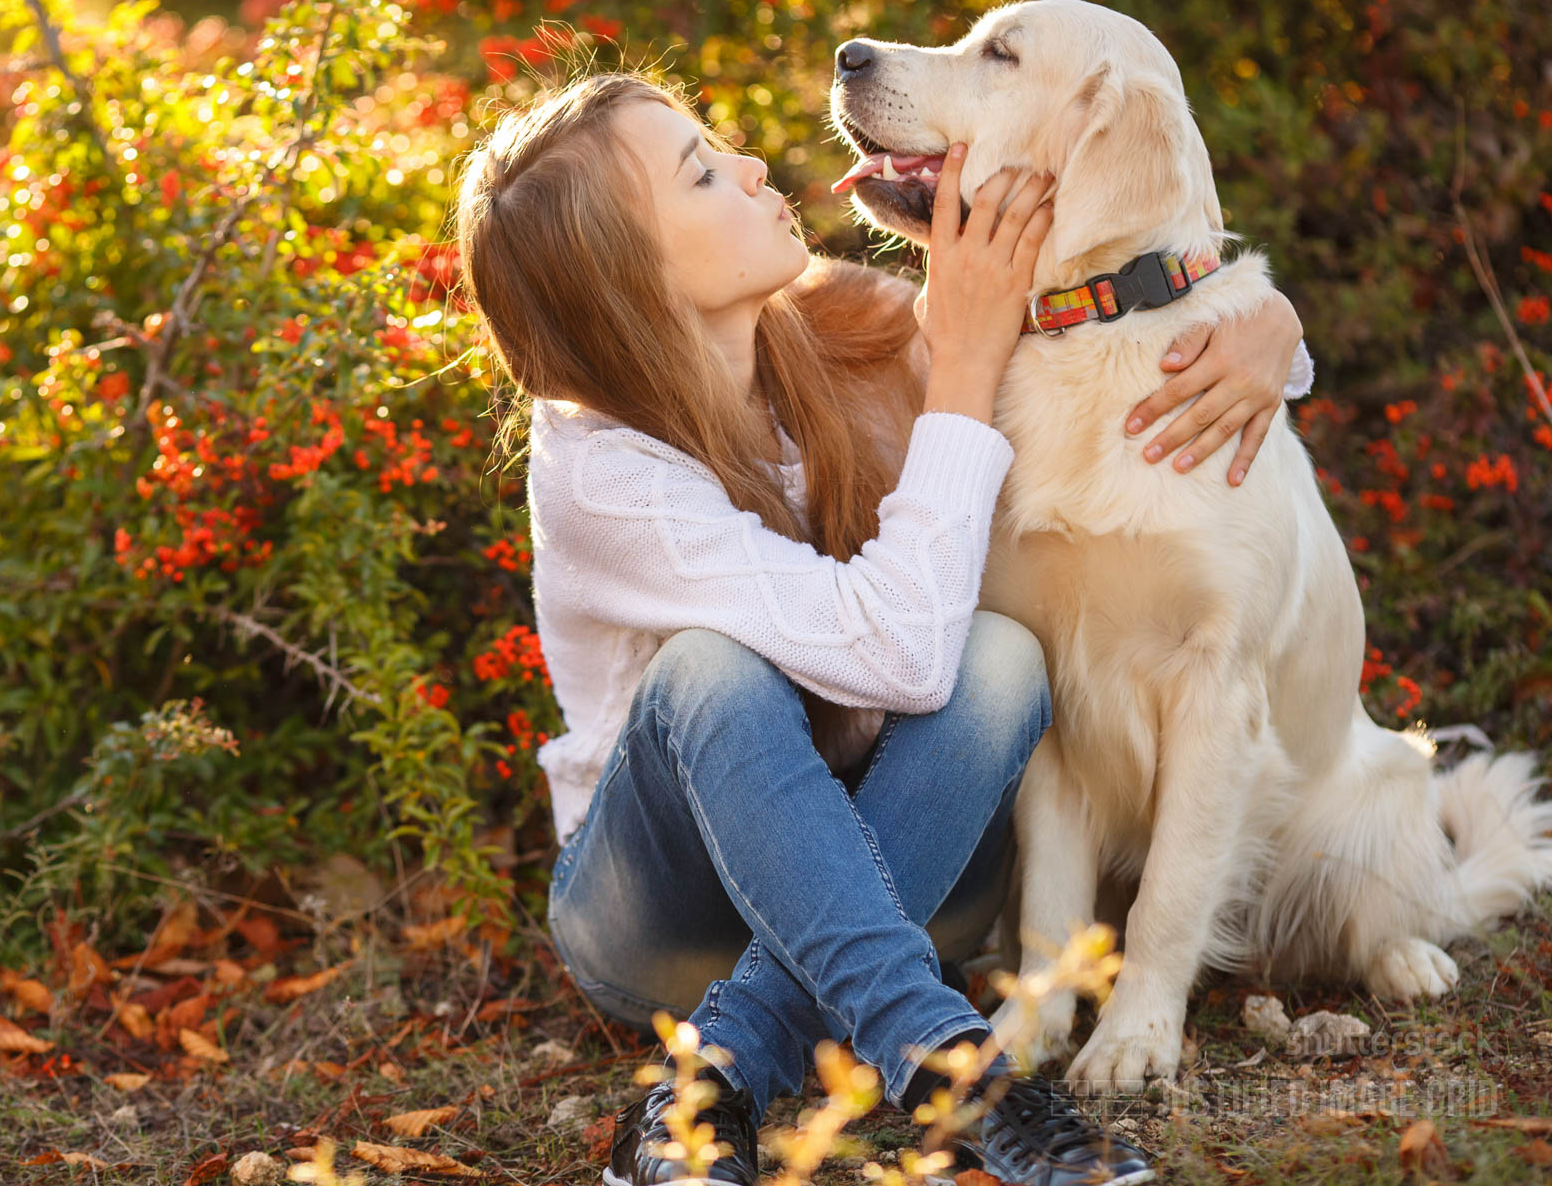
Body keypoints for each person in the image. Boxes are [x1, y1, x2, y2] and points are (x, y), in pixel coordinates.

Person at [450, 71, 1310, 1186]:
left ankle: (720, 1074)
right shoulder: (602, 466)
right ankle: (955, 1068)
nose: (754, 167)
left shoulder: (843, 322)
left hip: (903, 860)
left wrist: (1266, 325)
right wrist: (959, 365)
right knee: (713, 672)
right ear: (631, 279)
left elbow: (1079, 336)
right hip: (663, 910)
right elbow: (899, 650)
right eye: (701, 172)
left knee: (1001, 659)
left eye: (722, 142)